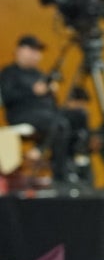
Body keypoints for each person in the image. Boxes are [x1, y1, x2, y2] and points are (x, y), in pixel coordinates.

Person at [0, 35, 74, 184]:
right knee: (58, 124)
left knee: (76, 118)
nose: (36, 55)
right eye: (32, 50)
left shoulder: (39, 74)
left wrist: (51, 92)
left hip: (47, 115)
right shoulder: (9, 72)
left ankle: (71, 169)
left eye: (38, 51)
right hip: (22, 114)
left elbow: (53, 103)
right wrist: (33, 91)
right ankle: (60, 176)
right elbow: (6, 97)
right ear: (20, 50)